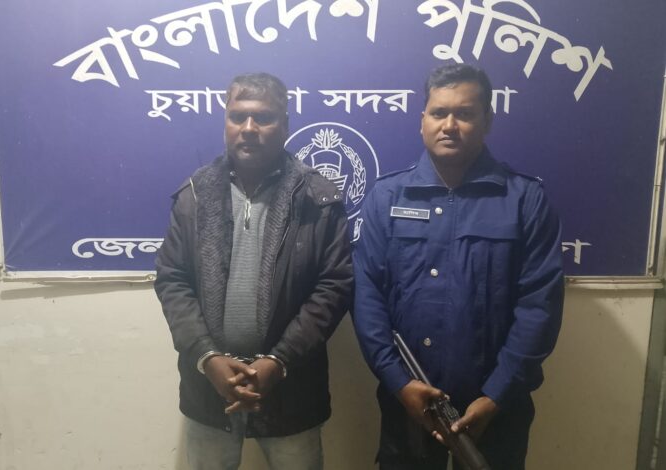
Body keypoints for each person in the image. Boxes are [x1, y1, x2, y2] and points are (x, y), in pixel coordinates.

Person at [352, 63, 564, 470]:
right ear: (422, 121)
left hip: (498, 409)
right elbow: (366, 296)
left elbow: (540, 307)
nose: (449, 125)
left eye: (464, 114)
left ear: (487, 120)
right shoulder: (387, 197)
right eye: (439, 113)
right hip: (408, 405)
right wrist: (399, 382)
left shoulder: (525, 201)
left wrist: (496, 395)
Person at [155, 72, 353, 470]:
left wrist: (278, 362)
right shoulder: (195, 194)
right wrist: (207, 358)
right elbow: (172, 280)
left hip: (291, 391)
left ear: (285, 125)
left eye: (263, 118)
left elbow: (333, 288)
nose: (248, 128)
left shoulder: (317, 199)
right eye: (237, 117)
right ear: (225, 122)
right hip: (208, 388)